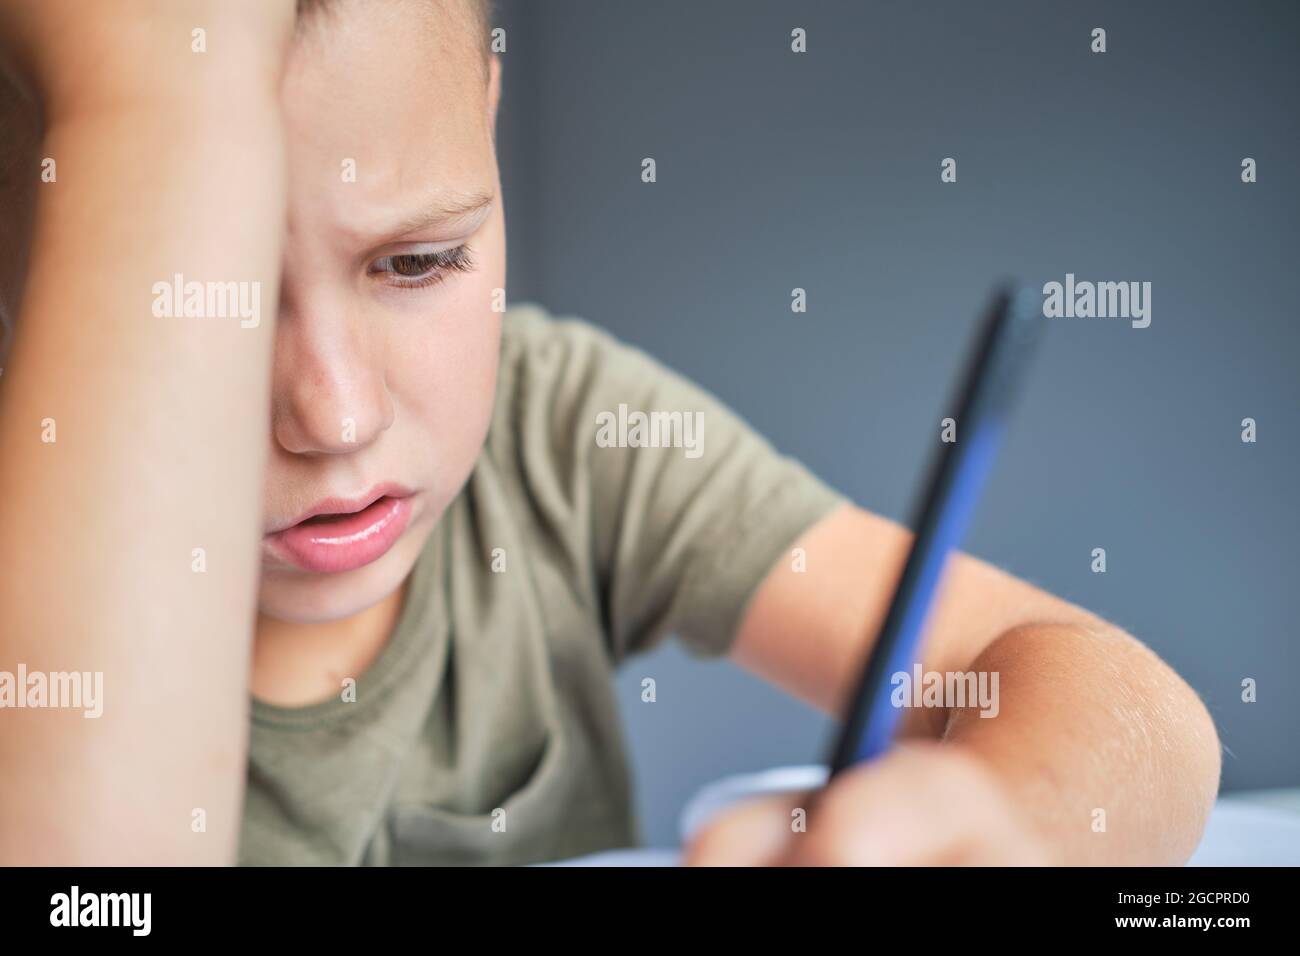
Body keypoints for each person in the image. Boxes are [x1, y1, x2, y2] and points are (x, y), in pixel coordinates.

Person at [0, 0, 1220, 866]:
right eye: (203, 302)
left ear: (486, 116)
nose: (336, 412)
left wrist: (1012, 820)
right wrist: (147, 103)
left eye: (419, 261)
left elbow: (1114, 697)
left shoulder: (557, 432)